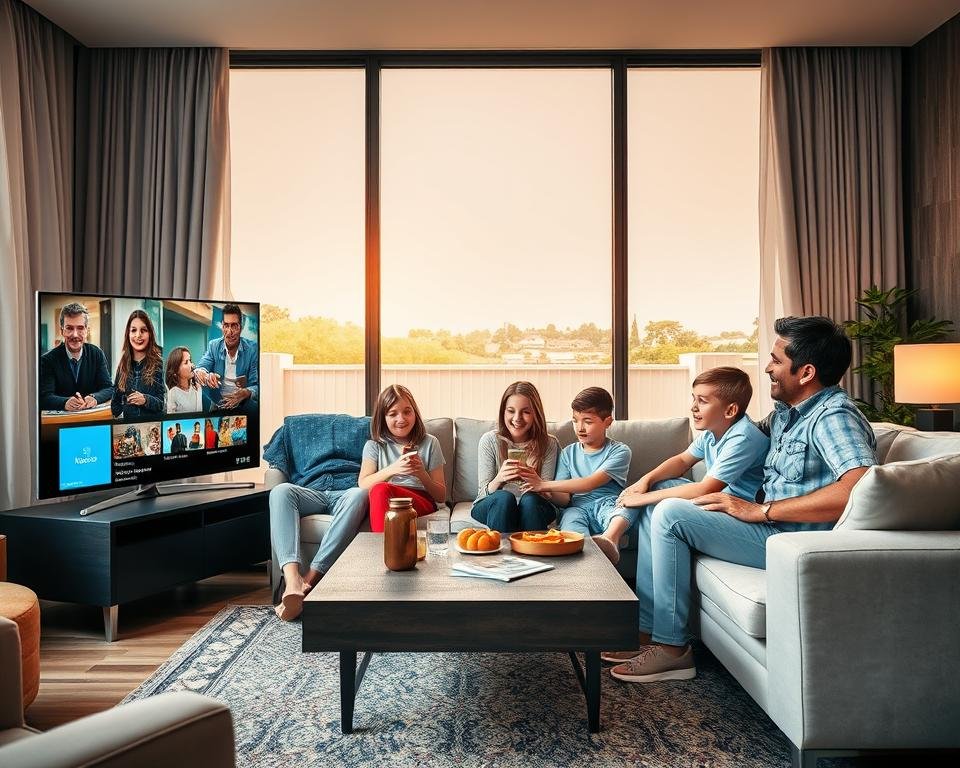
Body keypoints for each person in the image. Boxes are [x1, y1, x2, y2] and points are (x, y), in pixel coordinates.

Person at [607, 316, 877, 684]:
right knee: (662, 507)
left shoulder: (834, 417)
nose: (768, 367)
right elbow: (735, 433)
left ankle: (673, 650)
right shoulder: (787, 415)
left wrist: (763, 509)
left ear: (806, 372)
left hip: (789, 538)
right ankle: (650, 632)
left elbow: (860, 487)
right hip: (769, 528)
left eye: (777, 360)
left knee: (670, 513)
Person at [594, 367, 768, 565]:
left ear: (730, 410)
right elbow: (682, 461)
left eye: (702, 401)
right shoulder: (712, 433)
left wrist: (640, 499)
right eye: (694, 398)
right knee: (659, 485)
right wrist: (645, 481)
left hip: (739, 513)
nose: (693, 407)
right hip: (720, 503)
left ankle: (613, 538)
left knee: (657, 502)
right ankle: (613, 540)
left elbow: (706, 487)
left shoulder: (743, 436)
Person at [523, 387, 632, 541]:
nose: (580, 428)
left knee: (628, 508)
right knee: (570, 521)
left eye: (587, 421)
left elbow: (589, 483)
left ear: (607, 422)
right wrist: (547, 493)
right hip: (576, 508)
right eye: (575, 421)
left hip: (607, 505)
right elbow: (564, 499)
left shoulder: (620, 451)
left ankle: (610, 540)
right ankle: (586, 552)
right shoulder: (568, 453)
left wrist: (544, 484)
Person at [471, 381, 559, 533]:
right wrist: (499, 479)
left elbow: (548, 495)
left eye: (526, 412)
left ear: (536, 414)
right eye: (511, 411)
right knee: (504, 498)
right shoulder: (490, 440)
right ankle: (498, 556)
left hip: (534, 504)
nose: (517, 418)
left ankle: (535, 553)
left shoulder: (549, 443)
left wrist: (536, 481)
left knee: (530, 499)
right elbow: (482, 494)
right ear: (503, 412)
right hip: (494, 503)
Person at [358, 385, 447, 532]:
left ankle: (383, 549)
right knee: (379, 489)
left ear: (415, 413)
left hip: (421, 500)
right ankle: (386, 548)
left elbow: (441, 496)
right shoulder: (374, 445)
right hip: (386, 498)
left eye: (407, 412)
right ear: (383, 418)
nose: (401, 419)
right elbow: (363, 484)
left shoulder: (430, 442)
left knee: (380, 490)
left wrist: (421, 474)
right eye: (393, 414)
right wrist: (394, 469)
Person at [38, 302, 113, 411]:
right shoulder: (47, 360)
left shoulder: (97, 354)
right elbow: (44, 397)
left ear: (86, 330)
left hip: (93, 422)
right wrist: (64, 402)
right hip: (60, 424)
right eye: (69, 328)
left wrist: (94, 398)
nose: (75, 334)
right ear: (62, 331)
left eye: (80, 328)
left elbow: (108, 388)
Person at [194, 304, 258, 412]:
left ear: (240, 328)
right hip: (218, 406)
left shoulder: (252, 349)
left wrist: (246, 392)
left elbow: (257, 385)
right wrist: (204, 375)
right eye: (226, 326)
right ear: (222, 327)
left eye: (234, 326)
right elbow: (201, 367)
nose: (229, 332)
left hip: (243, 407)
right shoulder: (213, 345)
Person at [110, 309, 165, 419]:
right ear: (128, 334)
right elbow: (115, 405)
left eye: (143, 330)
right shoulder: (122, 365)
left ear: (149, 333)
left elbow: (163, 404)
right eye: (133, 330)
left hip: (153, 427)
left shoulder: (159, 363)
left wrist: (145, 400)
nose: (138, 335)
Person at [165, 346, 202, 413]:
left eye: (190, 360)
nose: (192, 365)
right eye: (186, 362)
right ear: (175, 371)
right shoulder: (173, 393)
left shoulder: (197, 387)